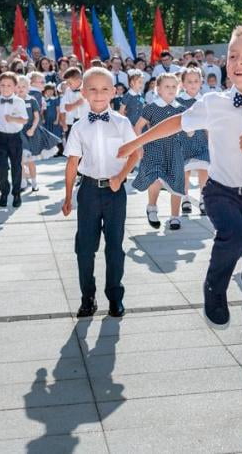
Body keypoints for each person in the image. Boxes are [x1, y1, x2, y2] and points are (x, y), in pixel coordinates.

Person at [118, 23, 242, 410]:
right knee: (232, 235)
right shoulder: (215, 102)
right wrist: (136, 142)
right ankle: (214, 285)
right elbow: (176, 123)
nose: (237, 62)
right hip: (220, 193)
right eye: (233, 55)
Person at [62, 67, 141, 318]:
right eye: (93, 89)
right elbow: (72, 163)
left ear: (114, 92)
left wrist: (121, 176)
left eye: (104, 89)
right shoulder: (79, 127)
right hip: (87, 191)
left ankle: (115, 297)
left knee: (114, 247)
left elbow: (135, 153)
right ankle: (88, 297)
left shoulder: (121, 123)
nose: (98, 94)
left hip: (115, 192)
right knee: (84, 248)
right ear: (84, 93)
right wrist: (67, 197)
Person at [132, 73, 186, 229]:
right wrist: (139, 145)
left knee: (177, 182)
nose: (171, 89)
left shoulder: (181, 109)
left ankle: (175, 217)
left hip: (175, 150)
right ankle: (152, 207)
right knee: (155, 177)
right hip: (154, 148)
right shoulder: (151, 107)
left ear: (178, 88)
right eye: (167, 86)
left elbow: (187, 129)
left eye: (174, 86)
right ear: (158, 89)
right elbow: (138, 127)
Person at [0, 72, 28, 208]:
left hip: (15, 137)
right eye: (3, 85)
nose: (5, 88)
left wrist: (12, 119)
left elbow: (24, 119)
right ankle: (4, 191)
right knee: (2, 165)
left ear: (15, 87)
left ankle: (16, 193)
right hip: (0, 136)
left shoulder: (19, 101)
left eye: (9, 85)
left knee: (16, 166)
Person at [16, 75, 61, 192]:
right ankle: (23, 181)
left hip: (31, 131)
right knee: (20, 159)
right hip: (18, 131)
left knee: (30, 159)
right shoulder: (14, 100)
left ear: (28, 87)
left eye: (24, 86)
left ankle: (34, 181)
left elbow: (37, 117)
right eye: (18, 86)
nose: (21, 89)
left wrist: (32, 129)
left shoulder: (32, 100)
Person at [177, 67, 210, 216]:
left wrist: (211, 141)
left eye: (196, 81)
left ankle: (203, 198)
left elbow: (209, 124)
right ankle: (185, 197)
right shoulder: (178, 101)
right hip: (183, 141)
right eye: (189, 81)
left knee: (204, 169)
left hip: (201, 141)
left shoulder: (205, 101)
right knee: (185, 171)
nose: (193, 84)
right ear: (183, 83)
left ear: (201, 82)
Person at [61, 67, 89, 136]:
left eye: (70, 83)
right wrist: (77, 103)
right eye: (67, 82)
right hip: (73, 123)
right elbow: (66, 108)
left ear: (79, 80)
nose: (67, 85)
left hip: (88, 122)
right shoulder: (68, 91)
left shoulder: (89, 88)